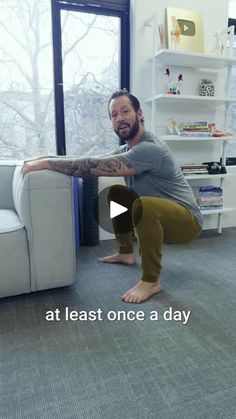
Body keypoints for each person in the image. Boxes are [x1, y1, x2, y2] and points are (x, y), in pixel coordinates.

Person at [22, 90, 203, 304]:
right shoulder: (126, 148)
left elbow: (92, 167)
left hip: (187, 223)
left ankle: (151, 281)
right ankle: (125, 253)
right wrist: (44, 158)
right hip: (161, 216)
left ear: (139, 113)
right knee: (117, 193)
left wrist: (45, 164)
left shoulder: (150, 148)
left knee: (145, 205)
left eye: (125, 111)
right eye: (114, 115)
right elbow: (91, 159)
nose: (120, 118)